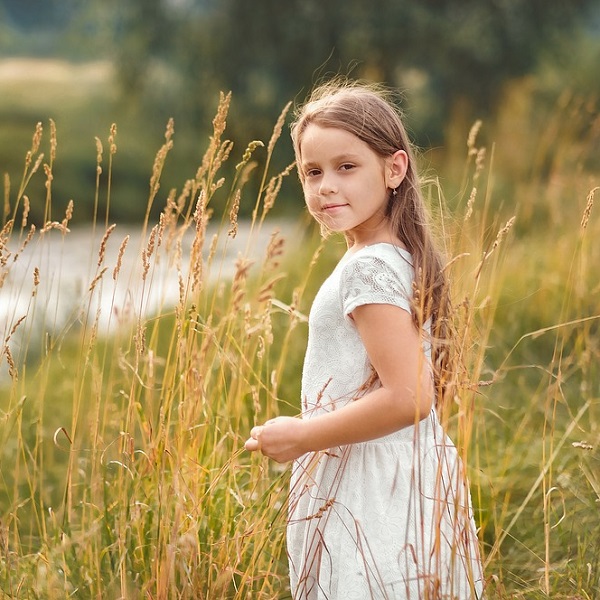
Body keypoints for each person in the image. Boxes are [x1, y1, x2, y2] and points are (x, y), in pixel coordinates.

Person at [245, 79, 485, 599]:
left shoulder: (369, 268)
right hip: (401, 470)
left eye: (346, 167)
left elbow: (411, 395)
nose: (326, 185)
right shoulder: (388, 253)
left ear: (394, 169)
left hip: (372, 484)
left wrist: (302, 436)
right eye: (313, 172)